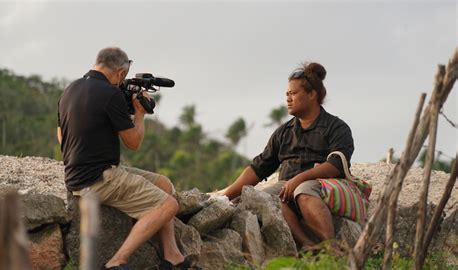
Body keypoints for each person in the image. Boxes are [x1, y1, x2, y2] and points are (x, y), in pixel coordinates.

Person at [57, 47, 195, 269]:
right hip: (99, 179)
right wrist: (139, 113)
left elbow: (60, 134)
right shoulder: (110, 95)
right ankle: (116, 262)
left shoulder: (70, 90)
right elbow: (133, 143)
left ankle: (172, 257)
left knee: (163, 184)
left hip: (75, 175)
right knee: (169, 205)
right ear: (121, 73)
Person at [223, 62, 354, 250]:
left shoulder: (336, 127)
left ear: (311, 94)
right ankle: (306, 245)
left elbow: (336, 165)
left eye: (293, 93)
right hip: (287, 187)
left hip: (321, 183)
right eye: (287, 94)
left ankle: (329, 246)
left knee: (303, 190)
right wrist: (226, 196)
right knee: (262, 198)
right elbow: (259, 167)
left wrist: (298, 179)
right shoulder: (284, 132)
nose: (288, 99)